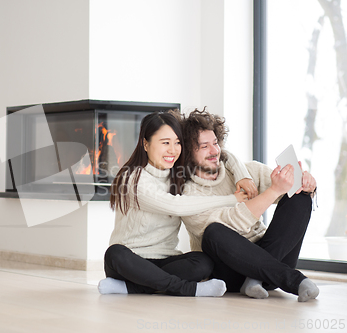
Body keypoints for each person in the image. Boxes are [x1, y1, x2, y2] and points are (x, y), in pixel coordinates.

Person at [98, 110, 254, 297]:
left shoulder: (179, 173)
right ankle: (190, 289)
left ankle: (133, 287)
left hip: (166, 260)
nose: (173, 150)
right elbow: (175, 205)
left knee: (204, 261)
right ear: (145, 144)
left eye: (177, 142)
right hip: (131, 261)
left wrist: (243, 175)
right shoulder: (133, 179)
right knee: (115, 254)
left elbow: (221, 155)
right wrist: (231, 199)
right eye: (165, 143)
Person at [179, 108, 319, 302]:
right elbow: (233, 223)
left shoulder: (247, 171)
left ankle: (255, 279)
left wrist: (306, 184)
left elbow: (289, 192)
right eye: (204, 146)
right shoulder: (187, 195)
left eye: (215, 143)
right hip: (232, 272)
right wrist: (274, 191)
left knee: (300, 197)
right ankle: (293, 280)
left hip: (273, 259)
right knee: (214, 232)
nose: (214, 151)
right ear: (187, 152)